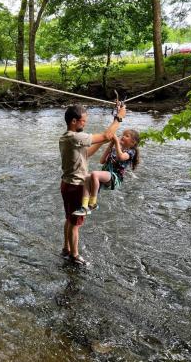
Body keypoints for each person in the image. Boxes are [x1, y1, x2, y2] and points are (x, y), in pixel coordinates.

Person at [59, 104, 126, 265]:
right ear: (74, 121)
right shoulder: (76, 137)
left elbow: (87, 154)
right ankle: (74, 256)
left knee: (70, 219)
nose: (85, 124)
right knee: (75, 224)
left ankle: (66, 249)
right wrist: (119, 117)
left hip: (67, 184)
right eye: (83, 121)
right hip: (76, 187)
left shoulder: (67, 138)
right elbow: (107, 135)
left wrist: (104, 140)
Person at [72, 129, 140, 215]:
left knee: (94, 174)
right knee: (87, 177)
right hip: (106, 175)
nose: (122, 136)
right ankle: (84, 207)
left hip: (115, 178)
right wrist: (111, 145)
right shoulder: (115, 149)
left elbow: (121, 157)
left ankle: (92, 203)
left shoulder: (131, 152)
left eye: (126, 136)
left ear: (133, 143)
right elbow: (102, 161)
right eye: (123, 134)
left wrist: (116, 142)